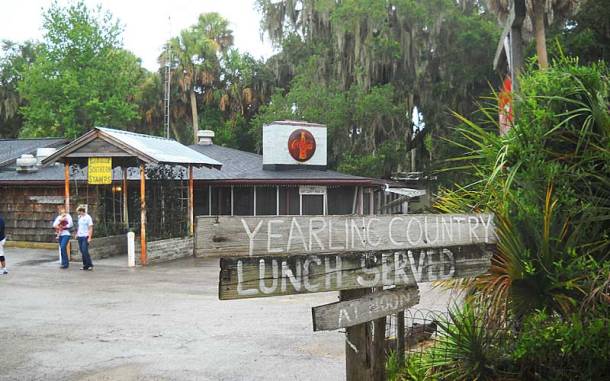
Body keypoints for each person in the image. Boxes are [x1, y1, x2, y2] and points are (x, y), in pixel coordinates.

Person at [76, 205, 94, 271]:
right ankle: (85, 265)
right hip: (80, 236)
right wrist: (77, 233)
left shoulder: (88, 217)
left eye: (79, 212)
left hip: (85, 236)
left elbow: (90, 228)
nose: (78, 213)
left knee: (85, 250)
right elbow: (79, 226)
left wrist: (89, 237)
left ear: (82, 211)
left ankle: (90, 265)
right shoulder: (79, 217)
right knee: (82, 251)